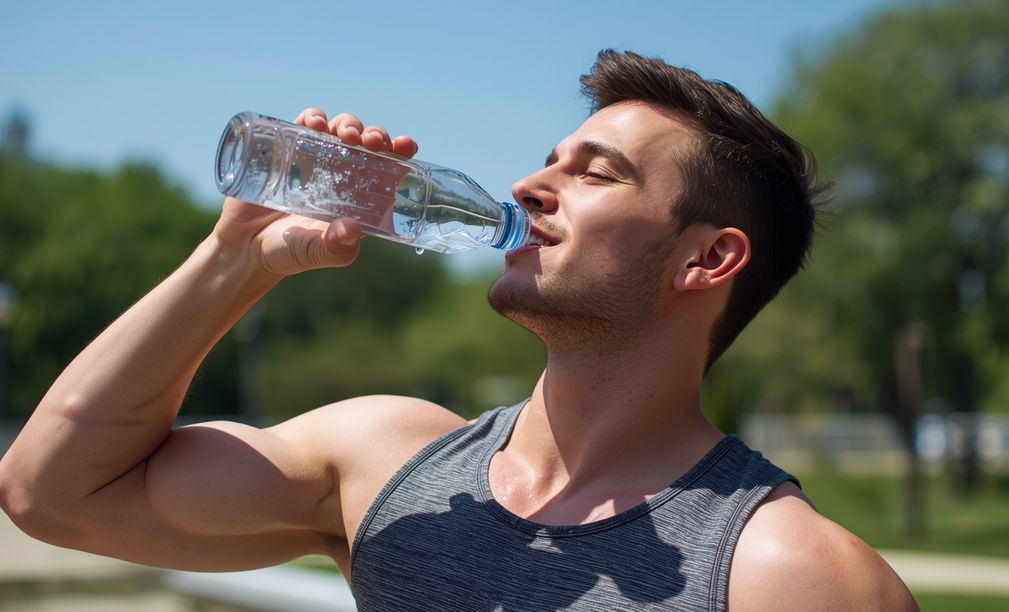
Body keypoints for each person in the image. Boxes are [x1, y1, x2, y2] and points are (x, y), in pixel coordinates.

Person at [0, 50, 917, 611]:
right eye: (548, 158)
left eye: (596, 173)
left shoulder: (788, 574)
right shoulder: (388, 461)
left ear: (706, 260)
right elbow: (52, 494)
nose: (528, 185)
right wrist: (236, 259)